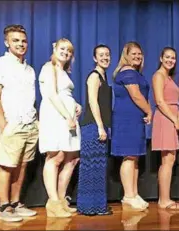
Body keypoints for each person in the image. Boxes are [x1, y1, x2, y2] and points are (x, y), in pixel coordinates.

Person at [0, 24, 38, 222]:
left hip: (29, 124)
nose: (21, 44)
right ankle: (4, 207)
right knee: (7, 165)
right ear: (7, 42)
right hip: (11, 124)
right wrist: (3, 124)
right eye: (15, 40)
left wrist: (35, 122)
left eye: (23, 40)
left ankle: (16, 203)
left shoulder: (29, 70)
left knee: (22, 165)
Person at [38, 38, 82, 217]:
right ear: (55, 48)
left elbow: (64, 94)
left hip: (68, 116)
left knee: (72, 158)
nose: (66, 52)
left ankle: (62, 200)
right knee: (56, 156)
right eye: (63, 49)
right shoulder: (48, 67)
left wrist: (75, 105)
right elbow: (52, 95)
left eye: (69, 51)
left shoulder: (63, 71)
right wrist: (67, 116)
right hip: (56, 116)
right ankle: (53, 202)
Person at [111, 41, 151, 210]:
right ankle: (128, 195)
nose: (137, 56)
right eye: (133, 53)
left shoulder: (135, 72)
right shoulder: (127, 72)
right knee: (129, 155)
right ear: (126, 56)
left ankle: (134, 194)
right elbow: (135, 95)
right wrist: (150, 111)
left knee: (134, 156)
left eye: (139, 54)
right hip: (126, 118)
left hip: (135, 118)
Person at [77, 44, 113, 215]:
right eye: (101, 55)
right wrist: (99, 126)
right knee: (91, 167)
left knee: (98, 167)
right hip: (92, 126)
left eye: (107, 54)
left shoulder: (104, 77)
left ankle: (97, 206)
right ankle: (88, 207)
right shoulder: (94, 76)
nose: (105, 57)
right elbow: (92, 101)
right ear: (94, 58)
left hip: (100, 126)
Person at [152, 47, 179, 210]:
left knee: (170, 159)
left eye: (173, 58)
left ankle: (165, 198)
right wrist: (173, 119)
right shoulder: (158, 76)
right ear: (161, 58)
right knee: (168, 159)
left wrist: (177, 118)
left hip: (171, 117)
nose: (170, 60)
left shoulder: (169, 78)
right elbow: (159, 101)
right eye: (167, 57)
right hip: (165, 118)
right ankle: (164, 199)